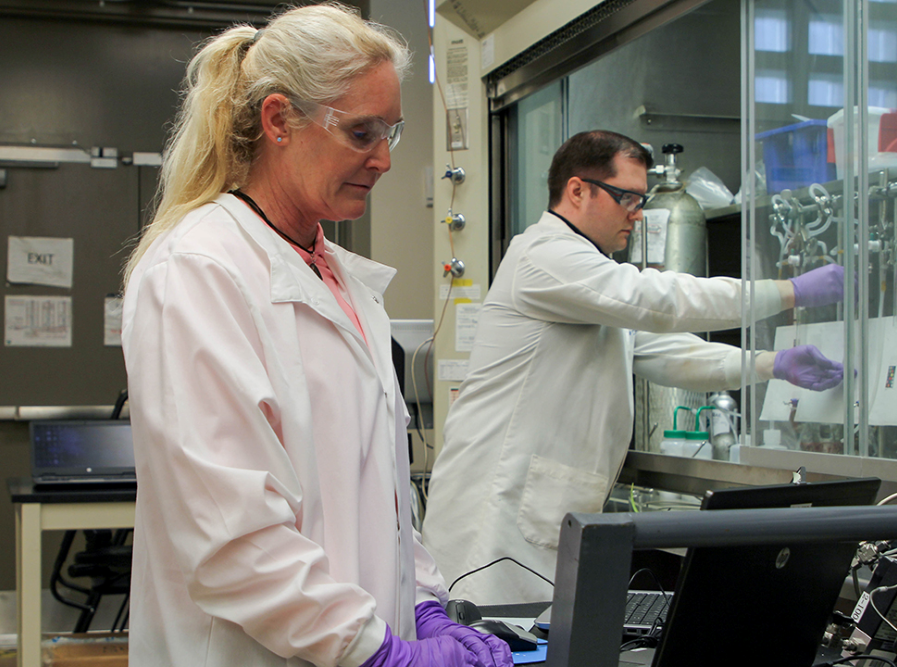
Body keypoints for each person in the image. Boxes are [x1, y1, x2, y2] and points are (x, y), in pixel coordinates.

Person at [120, 5, 512, 667]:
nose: (385, 159)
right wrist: (380, 649)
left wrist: (421, 602)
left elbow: (378, 495)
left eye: (391, 130)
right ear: (278, 120)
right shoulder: (197, 271)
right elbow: (231, 540)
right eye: (362, 132)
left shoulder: (337, 278)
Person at [420, 130, 845, 605]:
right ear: (577, 190)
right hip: (492, 519)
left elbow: (667, 351)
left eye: (641, 199)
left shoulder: (589, 279)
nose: (637, 213)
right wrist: (786, 292)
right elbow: (657, 299)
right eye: (627, 197)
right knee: (485, 647)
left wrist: (771, 363)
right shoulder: (545, 256)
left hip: (532, 516)